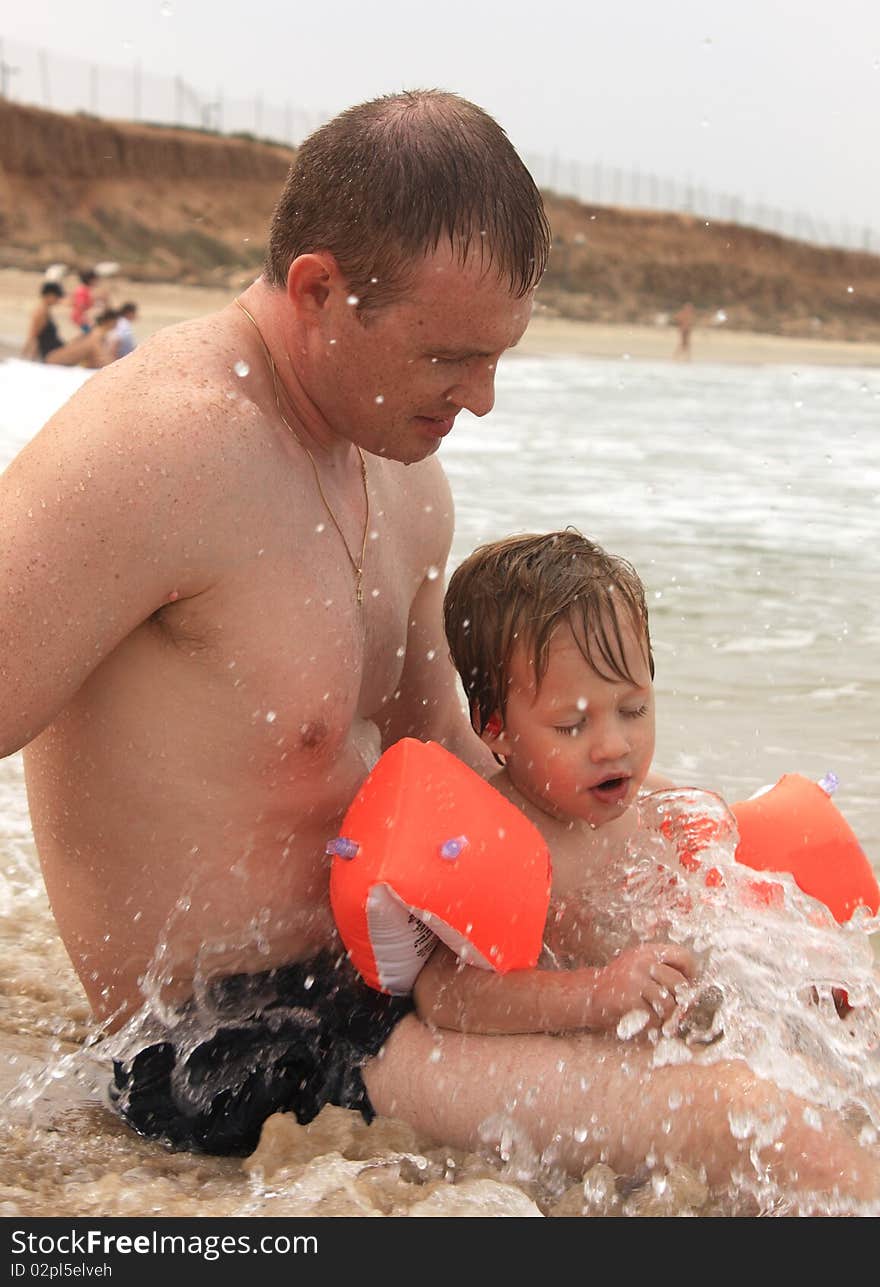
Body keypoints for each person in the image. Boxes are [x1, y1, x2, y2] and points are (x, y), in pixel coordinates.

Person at [0, 90, 876, 1209]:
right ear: (318, 290)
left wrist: (685, 907)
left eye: (498, 356)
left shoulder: (405, 475)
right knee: (754, 1124)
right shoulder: (153, 453)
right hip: (226, 1040)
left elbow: (450, 755)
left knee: (777, 1031)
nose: (484, 398)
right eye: (449, 357)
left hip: (401, 976)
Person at [422, 528, 700, 1035]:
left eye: (633, 709)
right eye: (572, 725)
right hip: (579, 1022)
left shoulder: (659, 803)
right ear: (493, 726)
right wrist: (596, 994)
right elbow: (445, 992)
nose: (615, 746)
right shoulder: (500, 840)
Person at [43, 308, 119, 370]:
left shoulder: (94, 332)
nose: (117, 324)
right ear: (109, 321)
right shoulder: (97, 335)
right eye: (116, 321)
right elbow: (99, 359)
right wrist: (117, 365)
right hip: (55, 361)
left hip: (55, 358)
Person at [20, 281, 66, 361]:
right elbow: (33, 336)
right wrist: (25, 358)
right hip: (52, 354)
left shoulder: (45, 311)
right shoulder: (41, 312)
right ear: (49, 295)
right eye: (57, 297)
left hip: (56, 350)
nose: (58, 300)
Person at [70, 269, 103, 333]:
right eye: (96, 279)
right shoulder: (82, 290)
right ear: (90, 280)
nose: (97, 281)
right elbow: (80, 306)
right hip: (80, 319)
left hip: (83, 318)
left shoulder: (86, 289)